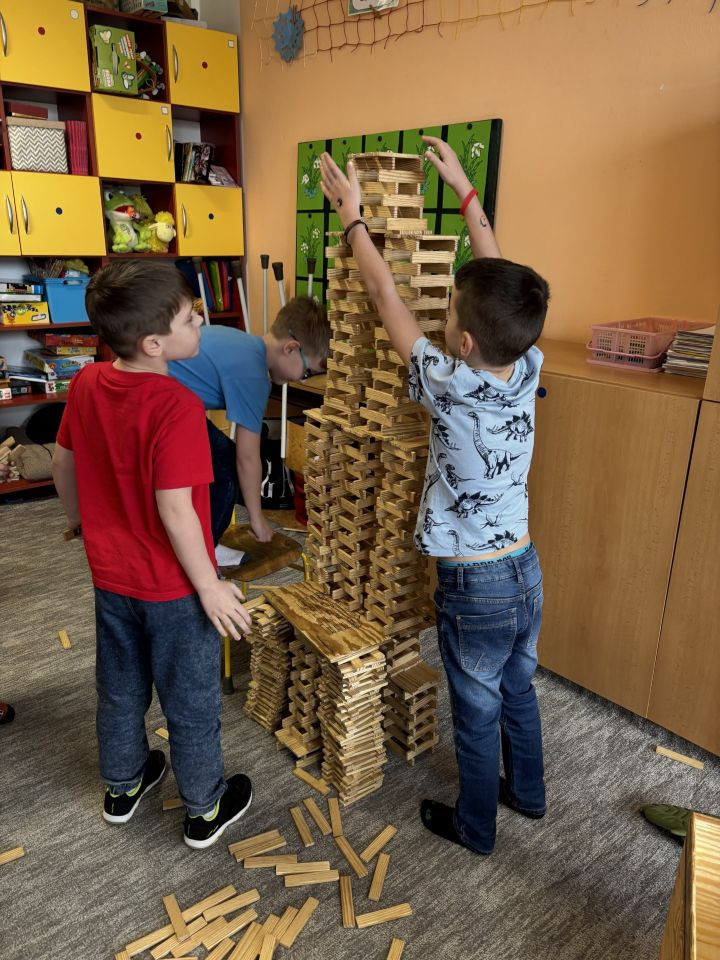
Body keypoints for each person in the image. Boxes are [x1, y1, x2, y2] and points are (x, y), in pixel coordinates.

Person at [320, 138, 550, 855]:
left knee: (475, 711)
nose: (441, 322)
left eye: (449, 315)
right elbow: (499, 282)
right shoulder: (525, 365)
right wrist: (467, 196)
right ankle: (530, 793)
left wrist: (353, 220)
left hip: (475, 585)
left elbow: (385, 297)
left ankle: (475, 827)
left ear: (466, 341)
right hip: (524, 569)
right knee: (518, 689)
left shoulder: (449, 384)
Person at [52, 260, 254, 850]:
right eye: (190, 318)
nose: (201, 322)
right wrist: (210, 585)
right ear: (154, 344)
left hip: (111, 579)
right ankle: (205, 808)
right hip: (174, 589)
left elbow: (63, 461)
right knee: (190, 702)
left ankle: (123, 785)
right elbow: (176, 509)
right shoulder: (177, 406)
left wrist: (79, 521)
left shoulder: (87, 383)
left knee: (119, 688)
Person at [169, 295, 330, 566]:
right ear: (291, 349)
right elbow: (247, 457)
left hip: (156, 398)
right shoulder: (254, 375)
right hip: (161, 408)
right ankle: (206, 551)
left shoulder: (241, 341)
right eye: (306, 372)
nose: (300, 379)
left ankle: (200, 539)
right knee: (228, 466)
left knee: (220, 457)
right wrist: (257, 517)